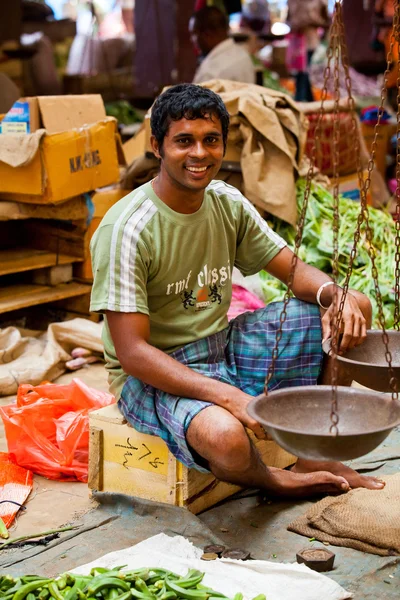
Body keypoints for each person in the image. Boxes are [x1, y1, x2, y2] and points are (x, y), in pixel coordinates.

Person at [90, 83, 384, 498]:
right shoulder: (128, 229)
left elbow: (294, 272)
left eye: (211, 141)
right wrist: (226, 396)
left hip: (221, 345)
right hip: (154, 374)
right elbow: (132, 353)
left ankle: (314, 454)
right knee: (227, 438)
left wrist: (335, 295)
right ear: (157, 146)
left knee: (354, 305)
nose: (199, 154)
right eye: (184, 141)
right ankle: (271, 479)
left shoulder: (225, 201)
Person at [189, 6, 256, 85]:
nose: (192, 39)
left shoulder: (210, 73)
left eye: (194, 33)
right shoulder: (243, 54)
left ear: (207, 34)